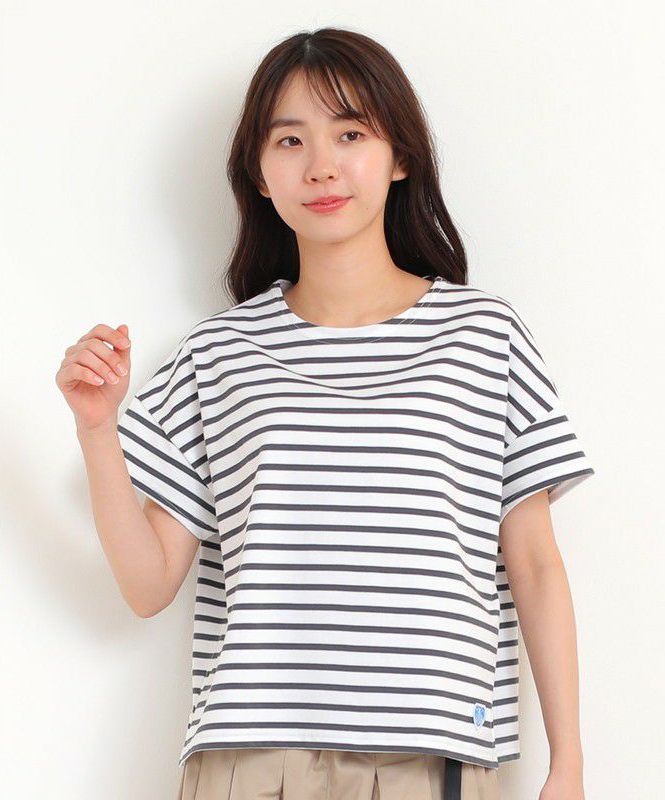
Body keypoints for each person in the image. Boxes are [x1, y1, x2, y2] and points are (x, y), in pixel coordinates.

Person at [57, 28, 594, 800]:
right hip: (249, 759)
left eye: (351, 133)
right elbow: (147, 586)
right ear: (260, 173)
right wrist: (96, 429)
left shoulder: (484, 336)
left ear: (400, 155)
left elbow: (536, 563)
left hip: (428, 753)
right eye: (290, 140)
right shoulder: (219, 355)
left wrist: (568, 764)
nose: (321, 166)